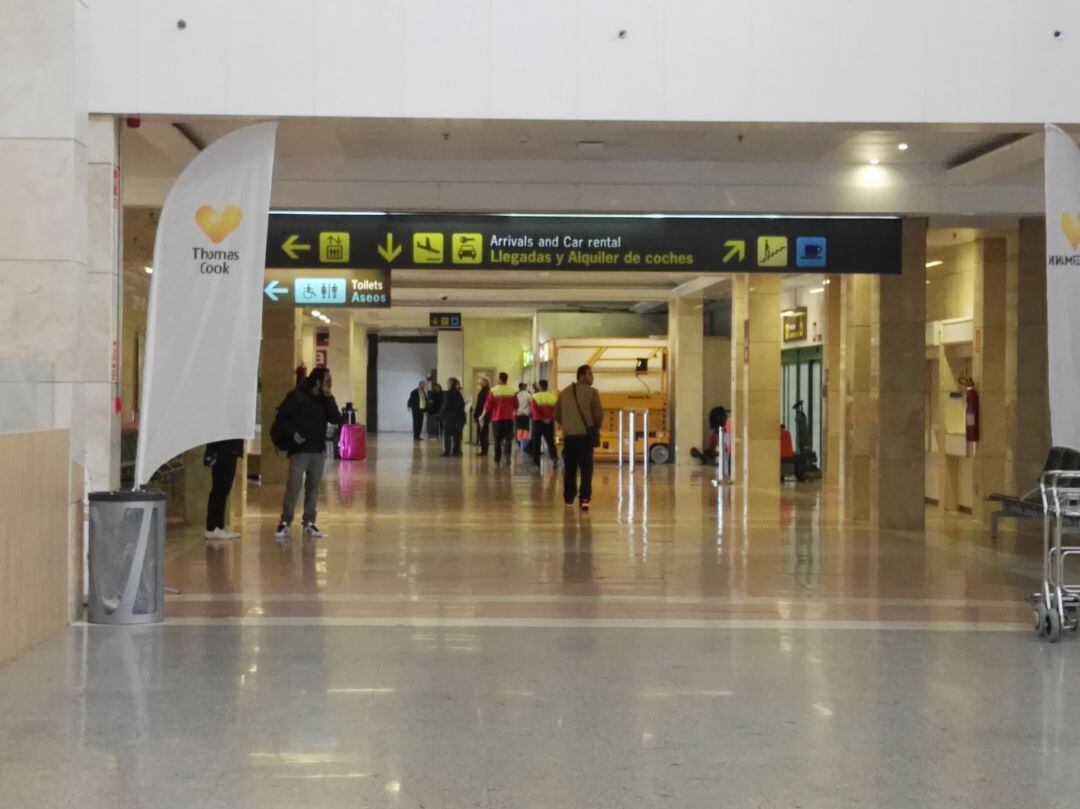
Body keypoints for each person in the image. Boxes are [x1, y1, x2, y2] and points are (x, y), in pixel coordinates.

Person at [273, 367, 342, 540]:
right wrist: (293, 433)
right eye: (327, 381)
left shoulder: (325, 400)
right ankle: (285, 521)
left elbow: (336, 418)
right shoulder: (297, 396)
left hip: (317, 450)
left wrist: (329, 397)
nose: (329, 385)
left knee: (313, 487)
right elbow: (281, 416)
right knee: (294, 486)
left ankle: (309, 522)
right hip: (300, 450)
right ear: (318, 381)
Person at [554, 364, 603, 510]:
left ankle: (569, 498)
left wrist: (567, 425)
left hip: (569, 436)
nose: (592, 376)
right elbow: (599, 413)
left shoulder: (564, 393)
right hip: (584, 437)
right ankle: (584, 499)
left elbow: (556, 414)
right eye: (590, 374)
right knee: (586, 468)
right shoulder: (592, 392)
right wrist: (595, 428)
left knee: (570, 468)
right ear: (582, 376)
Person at [203, 439, 243, 541]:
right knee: (220, 489)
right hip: (224, 451)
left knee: (223, 490)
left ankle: (219, 527)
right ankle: (212, 528)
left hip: (229, 450)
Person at [482, 372, 518, 465]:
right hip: (509, 419)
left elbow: (488, 405)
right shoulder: (512, 391)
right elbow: (516, 405)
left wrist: (482, 415)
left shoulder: (493, 391)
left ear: (500, 379)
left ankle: (497, 459)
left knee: (497, 439)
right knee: (508, 438)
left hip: (497, 419)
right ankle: (508, 457)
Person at [529, 379, 558, 468]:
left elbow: (534, 410)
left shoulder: (534, 396)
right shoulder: (552, 397)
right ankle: (554, 458)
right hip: (549, 423)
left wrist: (541, 418)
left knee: (536, 443)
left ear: (539, 386)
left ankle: (536, 463)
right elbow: (556, 410)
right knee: (550, 442)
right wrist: (549, 418)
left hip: (537, 422)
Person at [439, 377, 466, 457]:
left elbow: (445, 405)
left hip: (450, 418)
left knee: (447, 435)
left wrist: (441, 414)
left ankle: (447, 451)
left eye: (448, 383)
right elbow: (462, 405)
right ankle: (456, 451)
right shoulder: (459, 393)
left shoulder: (448, 393)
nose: (447, 384)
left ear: (450, 384)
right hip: (459, 418)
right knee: (457, 436)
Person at [474, 377, 492, 456]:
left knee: (482, 433)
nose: (479, 383)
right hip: (486, 415)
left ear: (485, 382)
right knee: (484, 432)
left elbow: (480, 405)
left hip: (482, 415)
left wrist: (476, 415)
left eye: (480, 381)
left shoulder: (483, 392)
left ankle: (484, 450)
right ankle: (484, 450)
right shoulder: (488, 391)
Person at [515, 382, 532, 451]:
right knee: (525, 429)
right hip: (526, 415)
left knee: (519, 429)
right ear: (524, 387)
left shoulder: (516, 395)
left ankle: (520, 444)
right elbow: (531, 404)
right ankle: (524, 445)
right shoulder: (528, 395)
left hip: (518, 415)